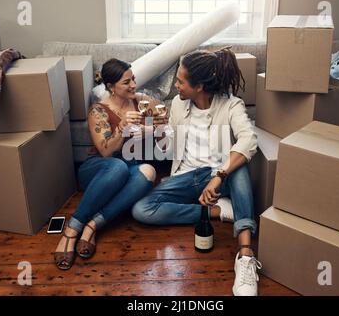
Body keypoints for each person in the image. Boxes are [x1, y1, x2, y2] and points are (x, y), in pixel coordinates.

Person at [132, 48, 262, 296]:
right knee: (142, 209)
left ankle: (245, 255)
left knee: (240, 165)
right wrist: (154, 132)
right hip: (186, 176)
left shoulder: (231, 105)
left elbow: (248, 140)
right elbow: (171, 143)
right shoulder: (179, 105)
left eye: (180, 81)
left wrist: (219, 176)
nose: (176, 85)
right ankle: (217, 210)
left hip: (219, 175)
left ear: (199, 86)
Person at [54, 58, 163, 270]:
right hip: (101, 169)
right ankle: (72, 229)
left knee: (149, 171)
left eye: (133, 79)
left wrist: (157, 130)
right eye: (126, 82)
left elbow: (162, 141)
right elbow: (105, 151)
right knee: (117, 166)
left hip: (131, 166)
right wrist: (121, 128)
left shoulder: (144, 102)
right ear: (111, 87)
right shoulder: (99, 110)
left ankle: (93, 225)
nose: (133, 85)